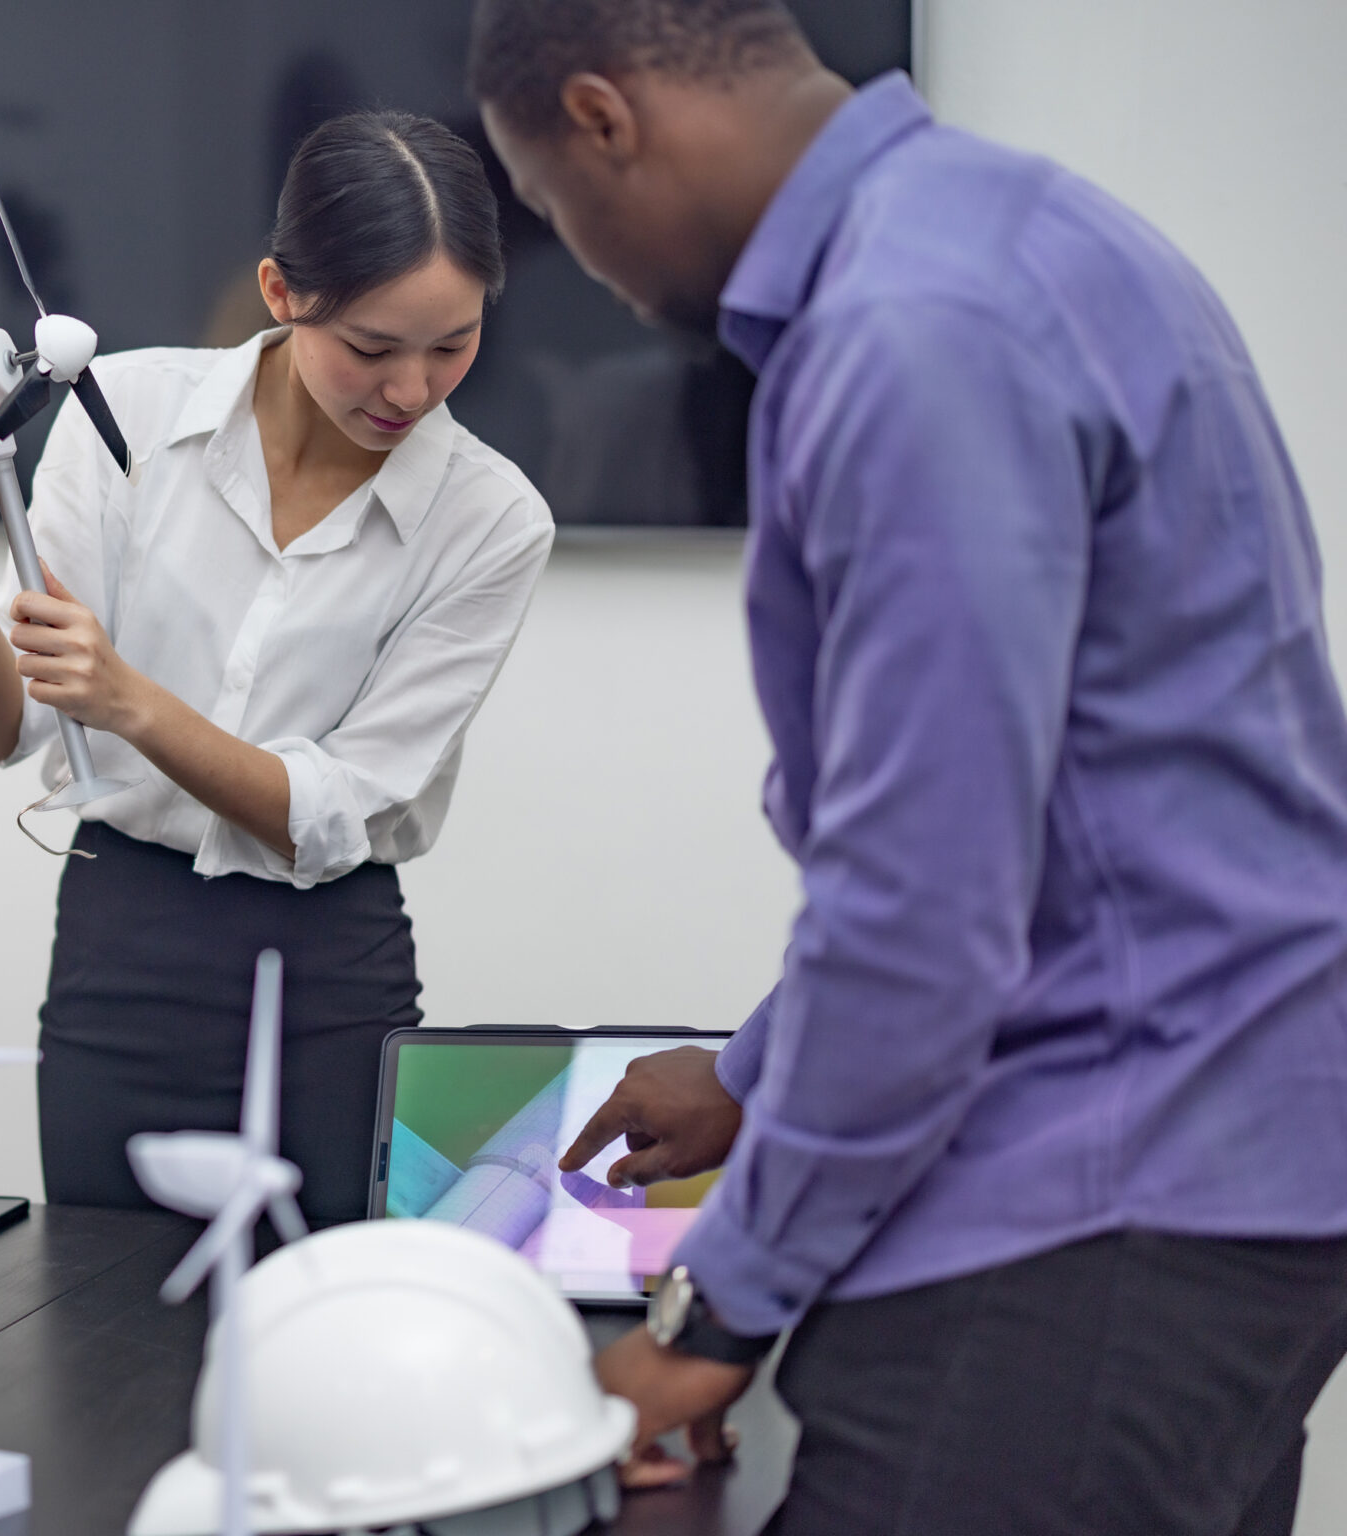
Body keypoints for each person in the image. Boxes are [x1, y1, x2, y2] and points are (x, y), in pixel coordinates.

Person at [464, 1, 1347, 1529]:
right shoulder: (1040, 238)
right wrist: (753, 1075)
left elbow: (927, 909)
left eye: (551, 209)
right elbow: (1071, 820)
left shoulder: (907, 329)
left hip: (1104, 1195)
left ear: (605, 118)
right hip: (1238, 1164)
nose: (584, 265)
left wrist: (710, 1319)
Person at [0, 112, 555, 1225]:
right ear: (282, 292)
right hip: (123, 950)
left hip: (330, 978)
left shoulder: (490, 521)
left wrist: (134, 704)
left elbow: (333, 815)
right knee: (102, 1344)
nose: (412, 388)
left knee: (322, 1340)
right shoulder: (129, 413)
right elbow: (4, 734)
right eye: (374, 345)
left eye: (453, 343)